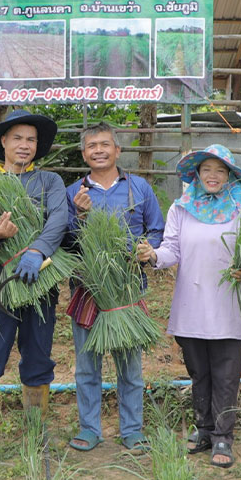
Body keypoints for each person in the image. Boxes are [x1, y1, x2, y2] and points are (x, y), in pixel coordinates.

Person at [135, 144, 241, 469]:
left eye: (220, 170)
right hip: (191, 302)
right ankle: (203, 430)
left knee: (227, 374)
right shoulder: (182, 208)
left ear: (229, 175)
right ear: (197, 175)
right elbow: (172, 248)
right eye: (207, 170)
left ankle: (222, 437)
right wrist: (154, 255)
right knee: (198, 371)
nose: (213, 176)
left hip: (228, 303)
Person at [0, 109, 67, 464]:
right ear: (3, 142)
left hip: (41, 283)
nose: (24, 145)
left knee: (38, 358)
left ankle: (35, 434)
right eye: (17, 138)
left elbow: (60, 219)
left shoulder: (49, 181)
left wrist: (36, 251)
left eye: (31, 140)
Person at [64, 122, 164, 453]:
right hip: (88, 289)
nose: (99, 150)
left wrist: (148, 249)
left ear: (117, 150)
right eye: (92, 146)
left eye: (105, 144)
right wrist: (79, 216)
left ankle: (132, 429)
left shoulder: (139, 188)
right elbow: (64, 241)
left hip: (127, 290)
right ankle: (90, 428)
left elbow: (157, 229)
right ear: (84, 154)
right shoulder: (73, 193)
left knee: (130, 368)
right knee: (87, 365)